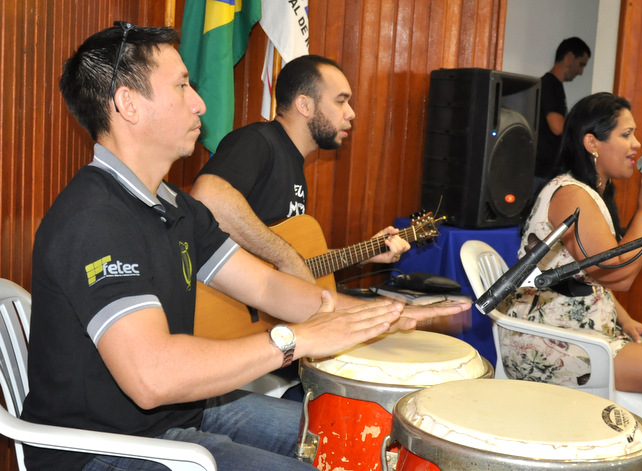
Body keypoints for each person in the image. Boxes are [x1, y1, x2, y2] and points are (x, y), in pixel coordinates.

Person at [20, 23, 470, 471]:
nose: (199, 102)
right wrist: (296, 339)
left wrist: (373, 314)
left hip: (180, 415)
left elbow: (267, 287)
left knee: (356, 437)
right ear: (128, 104)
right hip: (103, 448)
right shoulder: (93, 219)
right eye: (181, 86)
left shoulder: (173, 204)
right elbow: (152, 377)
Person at [500, 92, 642, 471]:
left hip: (579, 327)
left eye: (635, 134)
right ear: (592, 143)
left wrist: (625, 319)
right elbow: (617, 275)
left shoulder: (591, 192)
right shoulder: (571, 194)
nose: (637, 145)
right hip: (547, 339)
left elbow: (590, 277)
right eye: (626, 135)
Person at [190, 54, 409, 285]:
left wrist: (365, 254)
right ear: (304, 105)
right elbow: (208, 197)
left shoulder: (293, 163)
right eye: (340, 101)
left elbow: (293, 265)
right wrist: (286, 258)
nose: (350, 113)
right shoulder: (258, 140)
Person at [535, 37, 591, 180]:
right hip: (542, 171)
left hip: (546, 170)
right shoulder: (549, 84)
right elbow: (557, 127)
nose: (581, 72)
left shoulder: (554, 85)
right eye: (581, 64)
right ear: (569, 57)